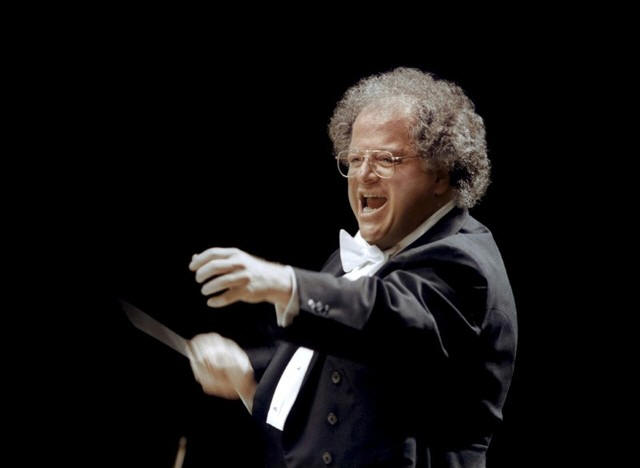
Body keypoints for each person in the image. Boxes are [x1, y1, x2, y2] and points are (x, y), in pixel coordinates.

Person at [186, 67, 517, 468]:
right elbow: (331, 408)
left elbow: (390, 319)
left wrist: (284, 282)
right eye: (355, 159)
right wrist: (246, 376)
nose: (363, 174)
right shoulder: (354, 258)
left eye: (386, 159)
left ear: (441, 173)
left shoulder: (465, 263)